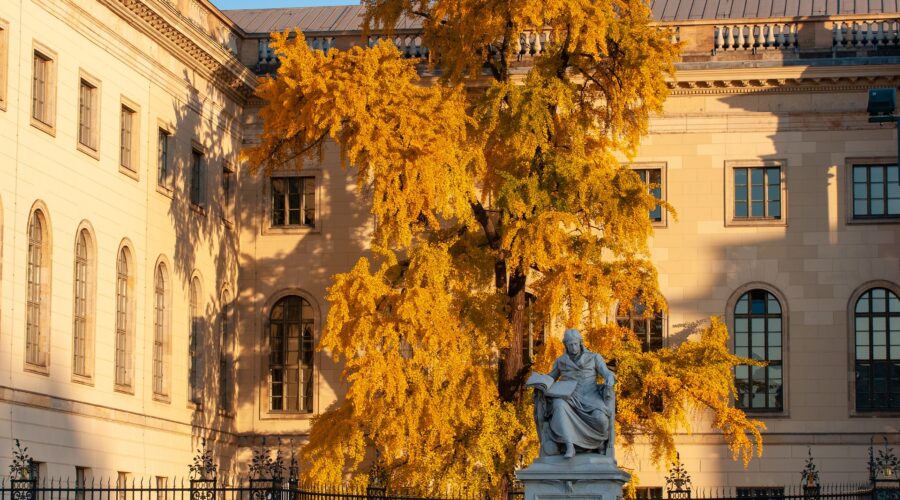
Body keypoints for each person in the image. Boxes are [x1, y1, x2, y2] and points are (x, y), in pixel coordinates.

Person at [533, 328, 615, 458]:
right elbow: (551, 378)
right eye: (570, 344)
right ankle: (569, 445)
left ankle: (597, 442)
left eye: (575, 343)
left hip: (590, 396)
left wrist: (610, 378)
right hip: (569, 397)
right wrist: (540, 382)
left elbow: (606, 372)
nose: (573, 347)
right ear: (565, 345)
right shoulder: (561, 361)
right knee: (558, 405)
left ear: (580, 343)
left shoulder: (594, 357)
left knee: (601, 420)